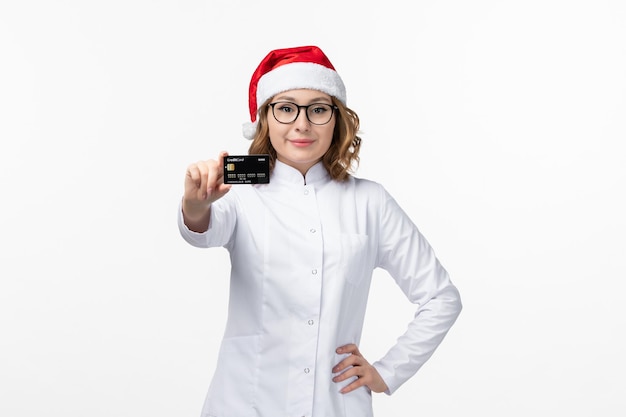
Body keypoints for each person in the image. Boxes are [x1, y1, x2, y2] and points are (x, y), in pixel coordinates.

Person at [178, 45, 462, 417]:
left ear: (337, 119)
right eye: (286, 108)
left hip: (336, 404)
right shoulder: (241, 192)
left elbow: (441, 297)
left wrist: (388, 372)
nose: (302, 124)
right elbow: (203, 229)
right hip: (245, 401)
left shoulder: (370, 202)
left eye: (318, 109)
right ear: (266, 118)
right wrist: (196, 204)